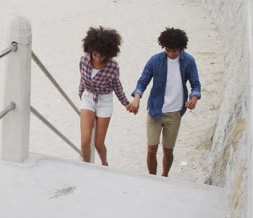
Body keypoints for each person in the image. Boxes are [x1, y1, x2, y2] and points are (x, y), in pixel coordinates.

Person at [128, 27, 201, 177]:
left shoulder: (189, 61)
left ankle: (164, 177)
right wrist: (136, 98)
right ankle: (153, 178)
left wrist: (193, 100)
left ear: (181, 48)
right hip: (155, 111)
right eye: (167, 50)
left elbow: (195, 84)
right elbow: (142, 82)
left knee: (168, 151)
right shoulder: (155, 60)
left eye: (174, 51)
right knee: (151, 149)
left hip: (174, 114)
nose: (170, 54)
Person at [78, 26, 133, 165]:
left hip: (105, 100)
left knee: (98, 143)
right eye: (95, 54)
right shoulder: (84, 60)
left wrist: (126, 103)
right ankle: (87, 167)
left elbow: (117, 86)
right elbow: (82, 79)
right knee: (85, 140)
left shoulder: (112, 66)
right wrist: (81, 94)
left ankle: (104, 164)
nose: (97, 58)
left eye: (102, 56)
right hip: (88, 97)